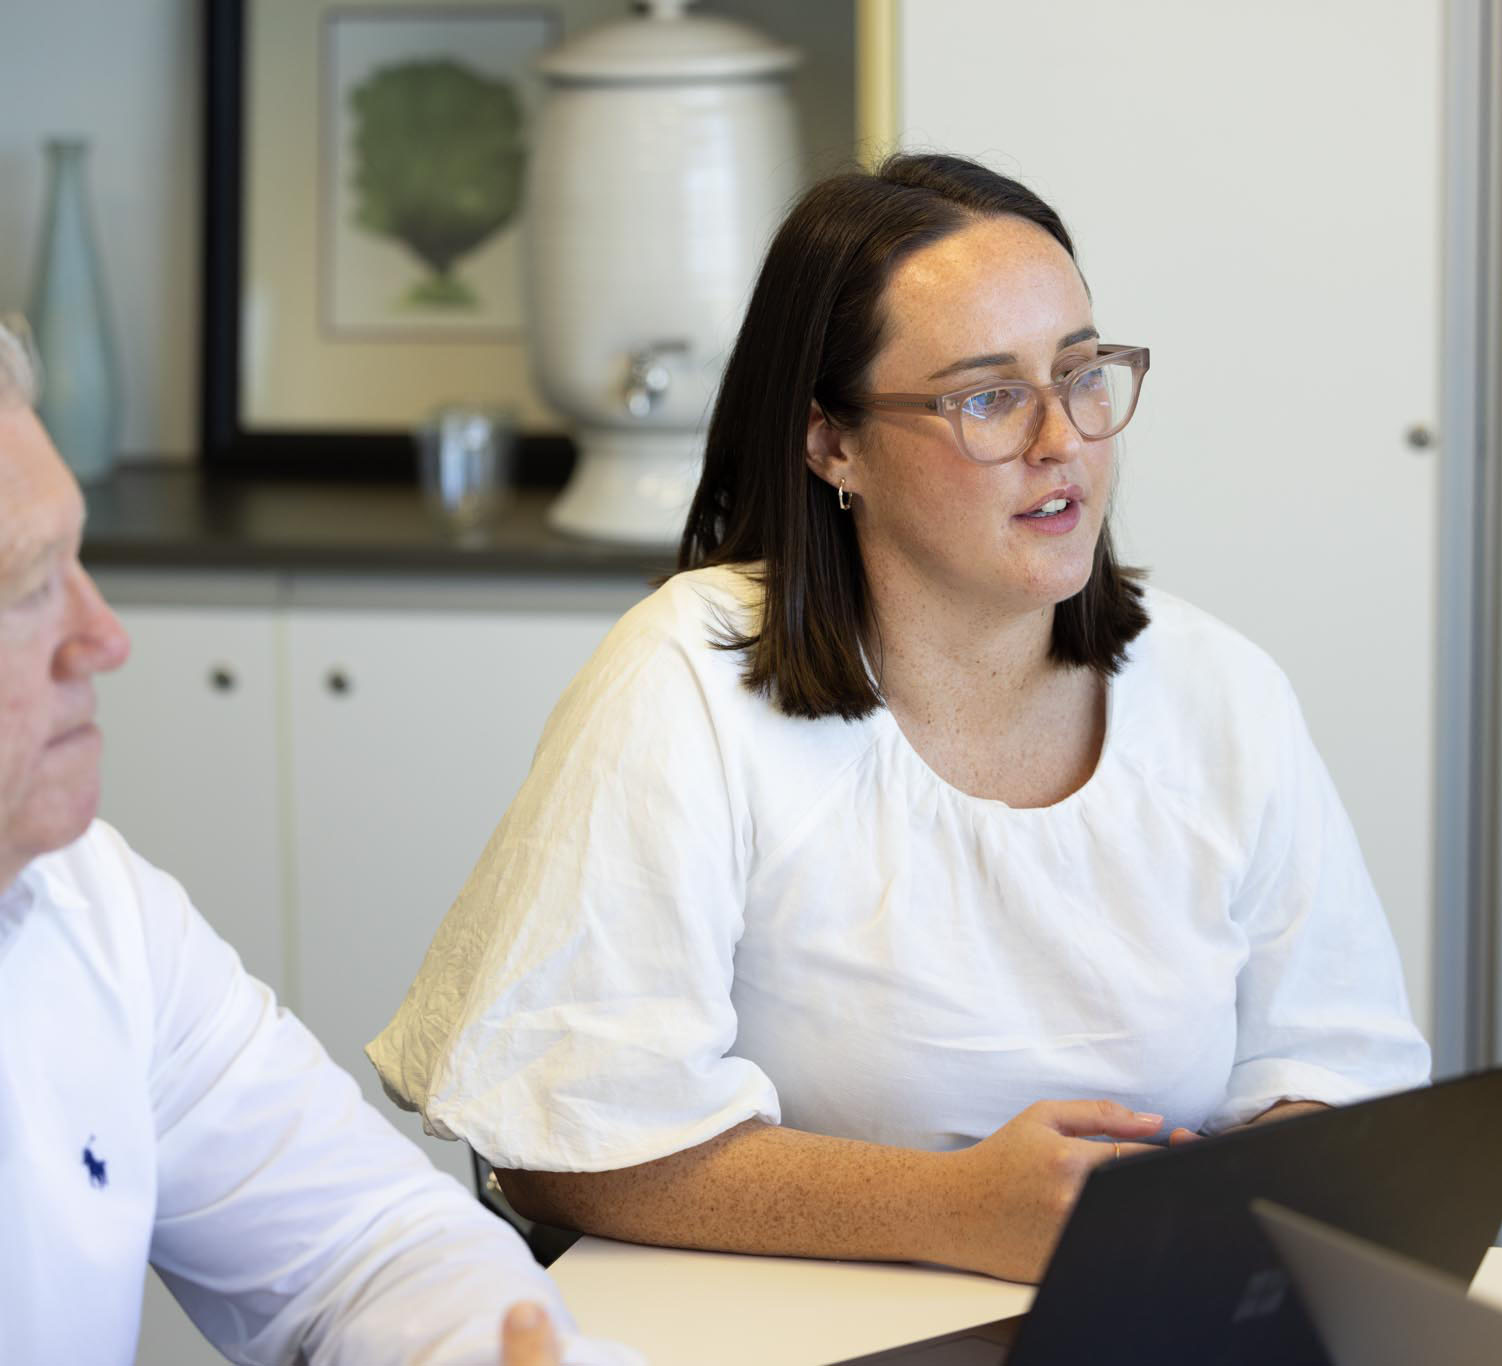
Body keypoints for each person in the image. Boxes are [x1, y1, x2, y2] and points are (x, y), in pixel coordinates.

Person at [368, 154, 1432, 1286]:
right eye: (985, 397)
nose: (1060, 439)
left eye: (1079, 372)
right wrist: (952, 1207)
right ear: (832, 443)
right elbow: (556, 1142)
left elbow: (1339, 1078)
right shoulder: (684, 679)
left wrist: (1197, 1218)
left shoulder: (1224, 691)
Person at [0, 318, 635, 1364]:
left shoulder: (87, 900)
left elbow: (366, 1245)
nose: (104, 637)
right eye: (29, 586)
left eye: (82, 559)